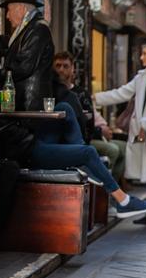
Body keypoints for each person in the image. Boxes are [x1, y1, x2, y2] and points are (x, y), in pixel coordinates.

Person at [94, 41, 146, 226]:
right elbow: (121, 93)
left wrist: (145, 124)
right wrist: (97, 98)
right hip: (142, 131)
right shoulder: (141, 76)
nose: (141, 57)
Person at [53, 51, 127, 182]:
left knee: (122, 148)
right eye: (58, 66)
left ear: (72, 69)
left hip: (81, 139)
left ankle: (108, 189)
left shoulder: (81, 93)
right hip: (58, 141)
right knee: (113, 150)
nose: (61, 70)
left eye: (65, 66)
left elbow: (88, 125)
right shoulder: (49, 91)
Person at [0, 0, 54, 110]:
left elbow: (23, 67)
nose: (7, 16)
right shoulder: (28, 30)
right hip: (24, 106)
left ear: (21, 9)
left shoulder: (38, 30)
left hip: (29, 108)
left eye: (9, 10)